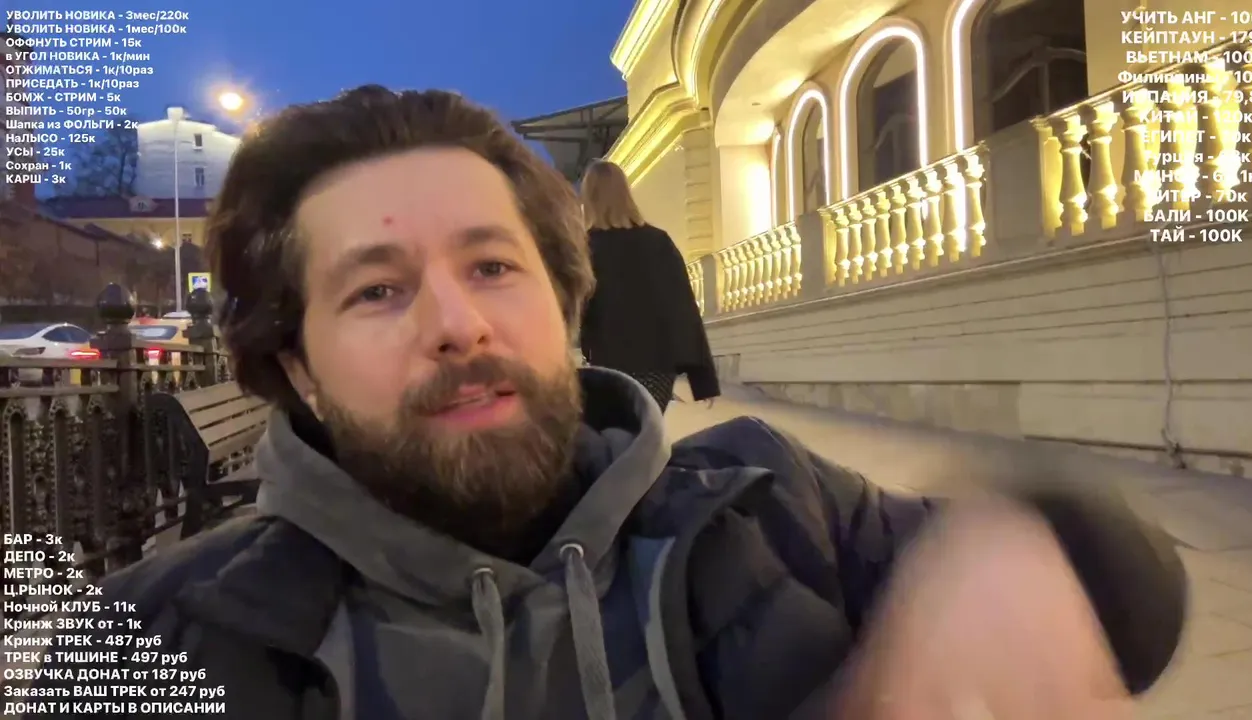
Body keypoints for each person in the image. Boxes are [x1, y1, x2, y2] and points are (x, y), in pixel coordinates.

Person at [26, 86, 1186, 719]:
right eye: (376, 290)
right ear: (297, 370)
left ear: (562, 305)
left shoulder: (771, 503)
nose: (456, 324)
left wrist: (1018, 547)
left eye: (492, 267)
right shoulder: (148, 647)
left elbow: (1132, 597)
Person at [578, 160, 718, 411]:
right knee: (647, 429)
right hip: (657, 369)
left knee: (616, 430)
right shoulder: (658, 242)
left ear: (589, 198)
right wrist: (703, 380)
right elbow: (683, 308)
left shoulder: (585, 249)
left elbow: (575, 310)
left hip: (608, 366)